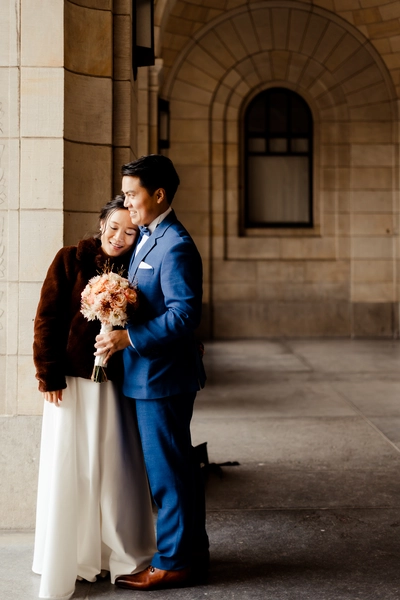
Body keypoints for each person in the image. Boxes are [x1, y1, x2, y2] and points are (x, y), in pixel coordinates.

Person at [32, 195, 156, 600]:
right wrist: (48, 374)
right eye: (114, 227)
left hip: (117, 386)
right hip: (70, 383)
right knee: (73, 466)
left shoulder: (137, 269)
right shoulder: (69, 259)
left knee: (117, 467)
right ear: (101, 223)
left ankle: (119, 554)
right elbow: (46, 319)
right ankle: (73, 555)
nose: (120, 237)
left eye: (130, 231)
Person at [95, 154, 209, 591]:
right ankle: (193, 550)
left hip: (161, 376)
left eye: (132, 193)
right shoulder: (147, 236)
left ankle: (173, 561)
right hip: (153, 374)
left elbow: (184, 315)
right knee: (179, 466)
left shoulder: (175, 244)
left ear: (158, 195)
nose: (126, 201)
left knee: (165, 474)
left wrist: (129, 339)